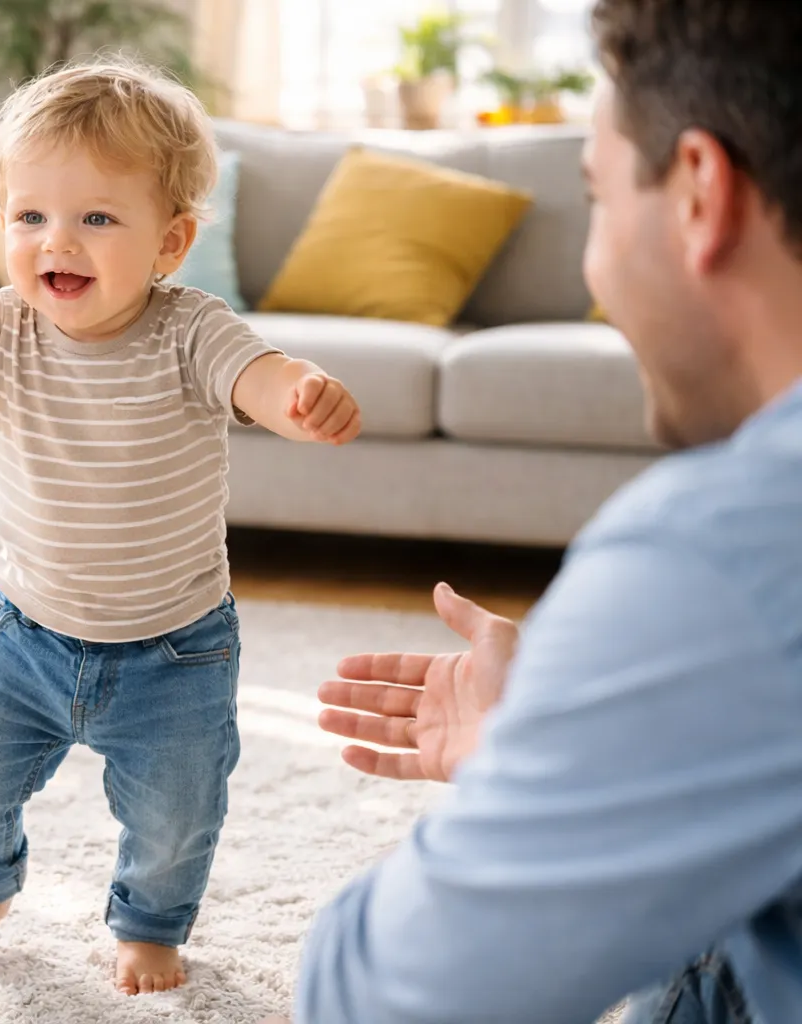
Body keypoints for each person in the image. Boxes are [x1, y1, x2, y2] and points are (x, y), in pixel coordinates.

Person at [0, 60, 363, 996]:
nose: (59, 241)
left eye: (97, 218)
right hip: (22, 634)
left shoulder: (192, 331)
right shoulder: (0, 325)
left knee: (177, 813)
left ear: (171, 241)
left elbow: (262, 377)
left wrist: (302, 397)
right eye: (30, 216)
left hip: (176, 650)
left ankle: (150, 925)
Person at [292, 1, 802, 1022]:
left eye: (597, 199)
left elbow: (374, 999)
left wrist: (540, 766)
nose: (592, 266)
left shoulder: (724, 549)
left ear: (700, 192)